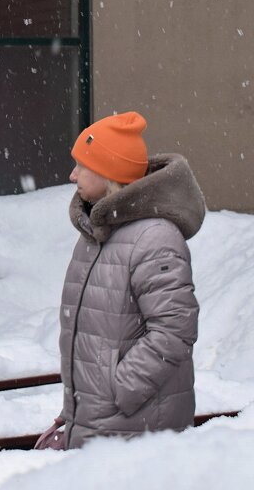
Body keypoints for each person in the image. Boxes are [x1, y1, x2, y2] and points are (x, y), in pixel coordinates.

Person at [43, 111, 204, 449]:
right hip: (102, 425)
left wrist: (120, 389)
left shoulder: (154, 238)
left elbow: (175, 329)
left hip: (135, 431)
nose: (72, 175)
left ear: (109, 172)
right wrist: (79, 406)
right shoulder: (96, 234)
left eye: (82, 166)